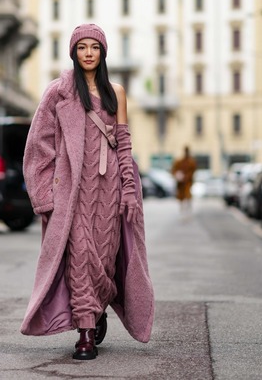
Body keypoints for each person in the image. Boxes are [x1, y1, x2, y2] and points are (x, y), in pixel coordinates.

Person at [20, 24, 154, 360]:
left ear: (103, 52)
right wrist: (44, 194)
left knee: (104, 263)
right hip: (73, 194)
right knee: (80, 258)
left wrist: (127, 191)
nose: (89, 53)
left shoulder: (116, 91)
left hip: (109, 192)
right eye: (82, 47)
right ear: (74, 53)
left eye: (95, 47)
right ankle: (84, 333)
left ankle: (96, 309)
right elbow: (39, 144)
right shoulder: (59, 92)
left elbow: (123, 144)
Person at [172, 146, 197, 214]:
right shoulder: (179, 161)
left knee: (187, 195)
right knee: (181, 197)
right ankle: (183, 210)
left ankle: (188, 209)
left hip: (187, 182)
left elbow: (192, 172)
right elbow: (174, 170)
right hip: (181, 183)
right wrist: (178, 176)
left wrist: (186, 177)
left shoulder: (191, 162)